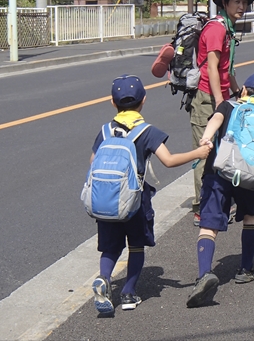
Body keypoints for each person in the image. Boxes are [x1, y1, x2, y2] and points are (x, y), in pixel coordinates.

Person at [90, 74, 211, 314]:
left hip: (108, 202)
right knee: (136, 246)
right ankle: (128, 293)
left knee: (111, 248)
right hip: (135, 200)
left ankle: (104, 278)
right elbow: (169, 160)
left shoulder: (104, 131)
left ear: (113, 103)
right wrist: (198, 153)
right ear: (143, 101)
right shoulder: (146, 132)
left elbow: (93, 163)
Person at [186, 73, 254, 308]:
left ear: (243, 90)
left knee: (208, 225)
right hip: (248, 176)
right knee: (250, 216)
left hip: (218, 172)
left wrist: (206, 138)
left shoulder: (228, 105)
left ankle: (204, 273)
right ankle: (246, 269)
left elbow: (215, 119)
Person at [189, 0, 254, 226]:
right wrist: (220, 101)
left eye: (244, 2)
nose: (242, 6)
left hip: (220, 95)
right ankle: (201, 207)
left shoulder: (228, 28)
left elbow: (227, 69)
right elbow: (211, 67)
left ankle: (218, 199)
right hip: (207, 97)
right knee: (205, 150)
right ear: (225, 4)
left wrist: (237, 91)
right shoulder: (217, 29)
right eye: (236, 1)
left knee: (223, 149)